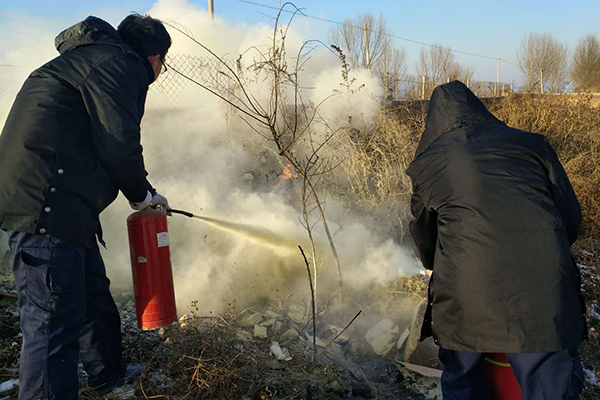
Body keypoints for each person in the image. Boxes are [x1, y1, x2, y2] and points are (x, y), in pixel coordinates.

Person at [0, 14, 172, 399]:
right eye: (164, 64)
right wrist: (142, 195)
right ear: (155, 58)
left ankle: (108, 373)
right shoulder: (119, 65)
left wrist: (142, 191)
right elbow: (119, 141)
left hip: (64, 201)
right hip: (45, 204)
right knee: (51, 321)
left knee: (91, 291)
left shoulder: (94, 60)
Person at [407, 81, 586, 400]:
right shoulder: (531, 144)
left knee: (463, 383)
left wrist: (435, 264)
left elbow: (424, 234)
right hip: (543, 298)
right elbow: (570, 216)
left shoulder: (428, 163)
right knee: (549, 385)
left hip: (465, 299)